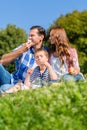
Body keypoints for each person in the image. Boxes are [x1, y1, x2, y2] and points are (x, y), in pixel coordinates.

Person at [0, 25, 48, 91]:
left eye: (32, 35)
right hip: (12, 79)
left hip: (24, 86)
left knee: (4, 87)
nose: (29, 38)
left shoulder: (46, 53)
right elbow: (2, 60)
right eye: (29, 35)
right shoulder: (24, 47)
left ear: (41, 37)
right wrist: (21, 50)